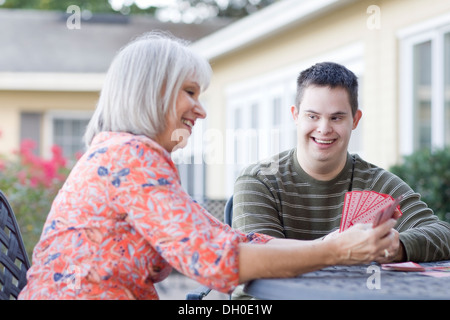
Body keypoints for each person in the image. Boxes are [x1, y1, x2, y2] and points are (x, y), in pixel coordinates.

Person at [19, 34, 401, 300]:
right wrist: (334, 252)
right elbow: (219, 262)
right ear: (152, 91)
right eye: (189, 92)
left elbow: (229, 240)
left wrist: (328, 244)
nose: (200, 109)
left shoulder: (127, 156)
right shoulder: (129, 157)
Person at [232, 62, 450, 298]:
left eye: (336, 118)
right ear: (295, 115)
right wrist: (335, 246)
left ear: (355, 120)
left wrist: (395, 247)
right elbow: (259, 258)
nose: (324, 129)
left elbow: (443, 233)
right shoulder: (259, 180)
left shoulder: (376, 182)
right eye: (313, 116)